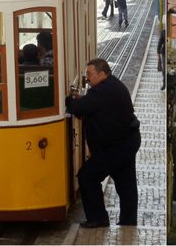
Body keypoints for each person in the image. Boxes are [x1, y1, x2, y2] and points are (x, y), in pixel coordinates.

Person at [66, 59, 141, 228]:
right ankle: (128, 221)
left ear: (102, 74)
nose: (87, 79)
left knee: (87, 177)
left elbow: (77, 108)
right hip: (126, 142)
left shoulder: (103, 90)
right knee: (125, 182)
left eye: (90, 75)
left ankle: (98, 218)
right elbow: (91, 105)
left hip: (116, 146)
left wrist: (70, 100)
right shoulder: (111, 86)